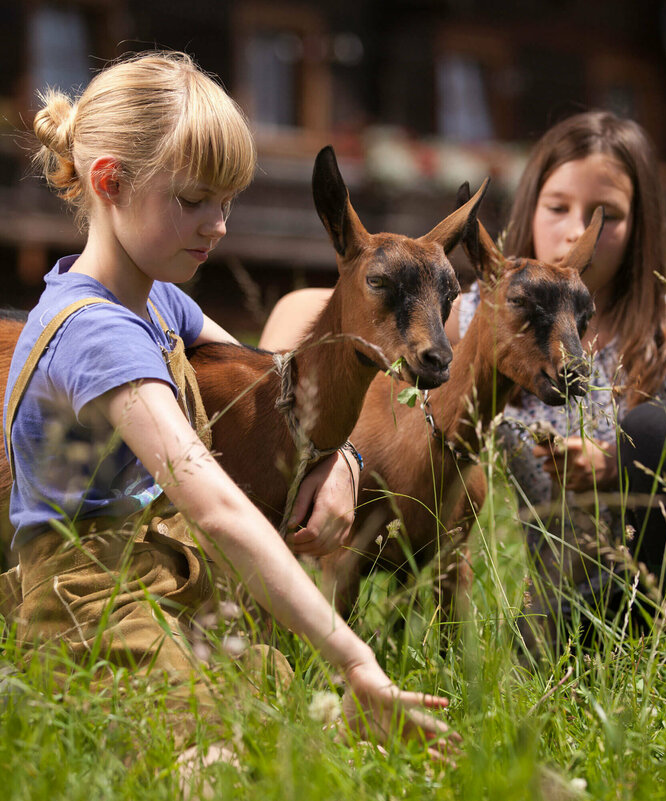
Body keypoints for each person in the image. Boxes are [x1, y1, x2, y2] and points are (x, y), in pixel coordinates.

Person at [1, 51, 457, 763]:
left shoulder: (156, 298)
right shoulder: (98, 334)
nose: (217, 224)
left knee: (277, 706)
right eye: (193, 199)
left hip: (164, 574)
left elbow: (282, 381)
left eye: (227, 200)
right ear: (110, 181)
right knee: (219, 746)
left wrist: (337, 457)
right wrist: (351, 654)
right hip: (88, 603)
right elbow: (213, 504)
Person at [262, 111, 666, 673]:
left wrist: (622, 471)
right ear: (530, 205)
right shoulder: (482, 319)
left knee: (651, 428)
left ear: (643, 227)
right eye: (558, 207)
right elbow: (337, 305)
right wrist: (297, 427)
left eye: (606, 216)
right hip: (584, 585)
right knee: (531, 648)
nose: (575, 231)